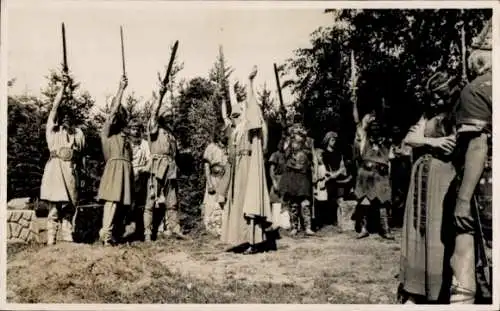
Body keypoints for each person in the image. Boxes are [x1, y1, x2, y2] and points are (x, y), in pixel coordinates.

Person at [398, 71, 460, 304]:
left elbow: (453, 146)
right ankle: (415, 287)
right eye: (431, 97)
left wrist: (424, 140)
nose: (433, 101)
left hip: (442, 180)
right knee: (418, 229)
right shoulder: (428, 115)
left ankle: (437, 289)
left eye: (437, 97)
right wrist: (431, 141)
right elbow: (409, 139)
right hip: (421, 178)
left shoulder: (457, 114)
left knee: (437, 230)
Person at [449, 19, 492, 304]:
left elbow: (477, 144)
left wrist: (464, 199)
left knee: (477, 242)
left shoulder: (474, 89)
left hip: (488, 185)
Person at [221, 66, 273, 254]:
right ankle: (243, 239)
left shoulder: (251, 126)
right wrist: (225, 95)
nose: (235, 117)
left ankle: (254, 241)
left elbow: (252, 107)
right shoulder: (237, 130)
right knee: (239, 203)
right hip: (239, 167)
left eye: (238, 114)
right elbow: (229, 115)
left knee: (250, 202)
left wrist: (250, 82)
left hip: (250, 167)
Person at [40, 74, 85, 245]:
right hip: (55, 170)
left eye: (69, 117)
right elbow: (53, 108)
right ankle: (51, 238)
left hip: (70, 171)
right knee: (54, 207)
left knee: (70, 206)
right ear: (59, 117)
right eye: (63, 116)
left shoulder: (77, 134)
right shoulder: (52, 131)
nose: (66, 119)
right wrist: (63, 88)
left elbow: (80, 155)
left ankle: (67, 236)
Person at [143, 83, 185, 242]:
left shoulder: (171, 133)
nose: (169, 117)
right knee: (150, 201)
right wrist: (160, 94)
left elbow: (176, 153)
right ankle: (148, 233)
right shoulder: (153, 129)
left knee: (172, 200)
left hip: (170, 167)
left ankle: (175, 229)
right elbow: (153, 113)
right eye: (166, 114)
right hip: (157, 166)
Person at [97, 75, 133, 246]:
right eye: (117, 114)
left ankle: (114, 234)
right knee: (111, 202)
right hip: (113, 170)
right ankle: (105, 235)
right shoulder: (107, 132)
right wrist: (121, 89)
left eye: (122, 115)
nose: (119, 116)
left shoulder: (124, 136)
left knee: (121, 205)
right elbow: (112, 113)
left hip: (125, 170)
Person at [352, 105, 394, 240]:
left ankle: (385, 229)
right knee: (365, 202)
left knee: (383, 202)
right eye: (373, 126)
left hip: (381, 175)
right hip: (366, 174)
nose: (375, 128)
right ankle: (364, 229)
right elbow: (358, 124)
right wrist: (355, 101)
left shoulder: (386, 141)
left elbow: (390, 159)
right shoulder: (364, 138)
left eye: (378, 126)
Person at [280, 123, 314, 236]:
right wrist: (289, 139)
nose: (298, 132)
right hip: (293, 176)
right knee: (293, 204)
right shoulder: (288, 144)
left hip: (304, 176)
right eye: (296, 130)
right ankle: (294, 226)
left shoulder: (308, 143)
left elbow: (311, 157)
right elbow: (284, 152)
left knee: (305, 203)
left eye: (300, 129)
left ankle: (308, 227)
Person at [123, 118, 150, 241]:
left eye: (138, 129)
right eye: (133, 129)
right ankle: (124, 227)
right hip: (127, 173)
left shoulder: (144, 144)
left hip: (141, 174)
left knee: (140, 203)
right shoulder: (126, 142)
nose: (135, 132)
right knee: (127, 202)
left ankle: (141, 230)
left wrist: (144, 169)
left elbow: (149, 160)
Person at [202, 126, 229, 237]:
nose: (223, 135)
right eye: (221, 133)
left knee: (223, 203)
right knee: (212, 203)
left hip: (225, 179)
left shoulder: (227, 148)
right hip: (214, 178)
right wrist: (209, 183)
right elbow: (206, 166)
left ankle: (223, 228)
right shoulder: (211, 147)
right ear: (217, 134)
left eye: (225, 133)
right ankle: (211, 228)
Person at [320, 131, 350, 229]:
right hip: (328, 180)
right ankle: (329, 220)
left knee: (340, 199)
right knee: (330, 200)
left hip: (339, 179)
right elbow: (323, 168)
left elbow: (343, 168)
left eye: (335, 140)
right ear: (327, 140)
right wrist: (331, 175)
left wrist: (336, 174)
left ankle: (340, 221)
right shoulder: (323, 154)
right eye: (332, 140)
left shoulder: (339, 153)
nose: (334, 142)